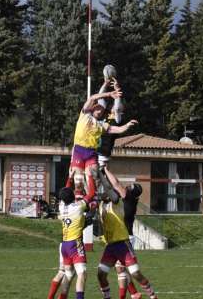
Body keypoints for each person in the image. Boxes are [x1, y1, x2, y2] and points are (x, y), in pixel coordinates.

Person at [69, 85, 137, 203]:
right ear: (93, 108)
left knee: (93, 179)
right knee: (78, 181)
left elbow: (116, 129)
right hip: (79, 151)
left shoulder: (101, 125)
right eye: (98, 107)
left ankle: (92, 202)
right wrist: (109, 93)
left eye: (102, 109)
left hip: (91, 153)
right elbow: (93, 97)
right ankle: (78, 202)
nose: (100, 110)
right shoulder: (84, 114)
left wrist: (127, 126)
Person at [97, 167, 157, 299]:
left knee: (123, 270)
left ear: (132, 192)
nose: (127, 187)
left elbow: (116, 184)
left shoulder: (128, 198)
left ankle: (134, 294)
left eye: (130, 187)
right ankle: (134, 294)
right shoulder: (125, 200)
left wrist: (105, 170)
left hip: (124, 237)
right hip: (116, 238)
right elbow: (113, 186)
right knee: (121, 270)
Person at [57, 182, 96, 299]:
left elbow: (65, 192)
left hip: (64, 245)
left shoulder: (61, 206)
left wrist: (70, 176)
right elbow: (92, 193)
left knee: (68, 274)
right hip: (75, 243)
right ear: (73, 196)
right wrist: (89, 175)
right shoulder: (79, 206)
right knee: (82, 273)